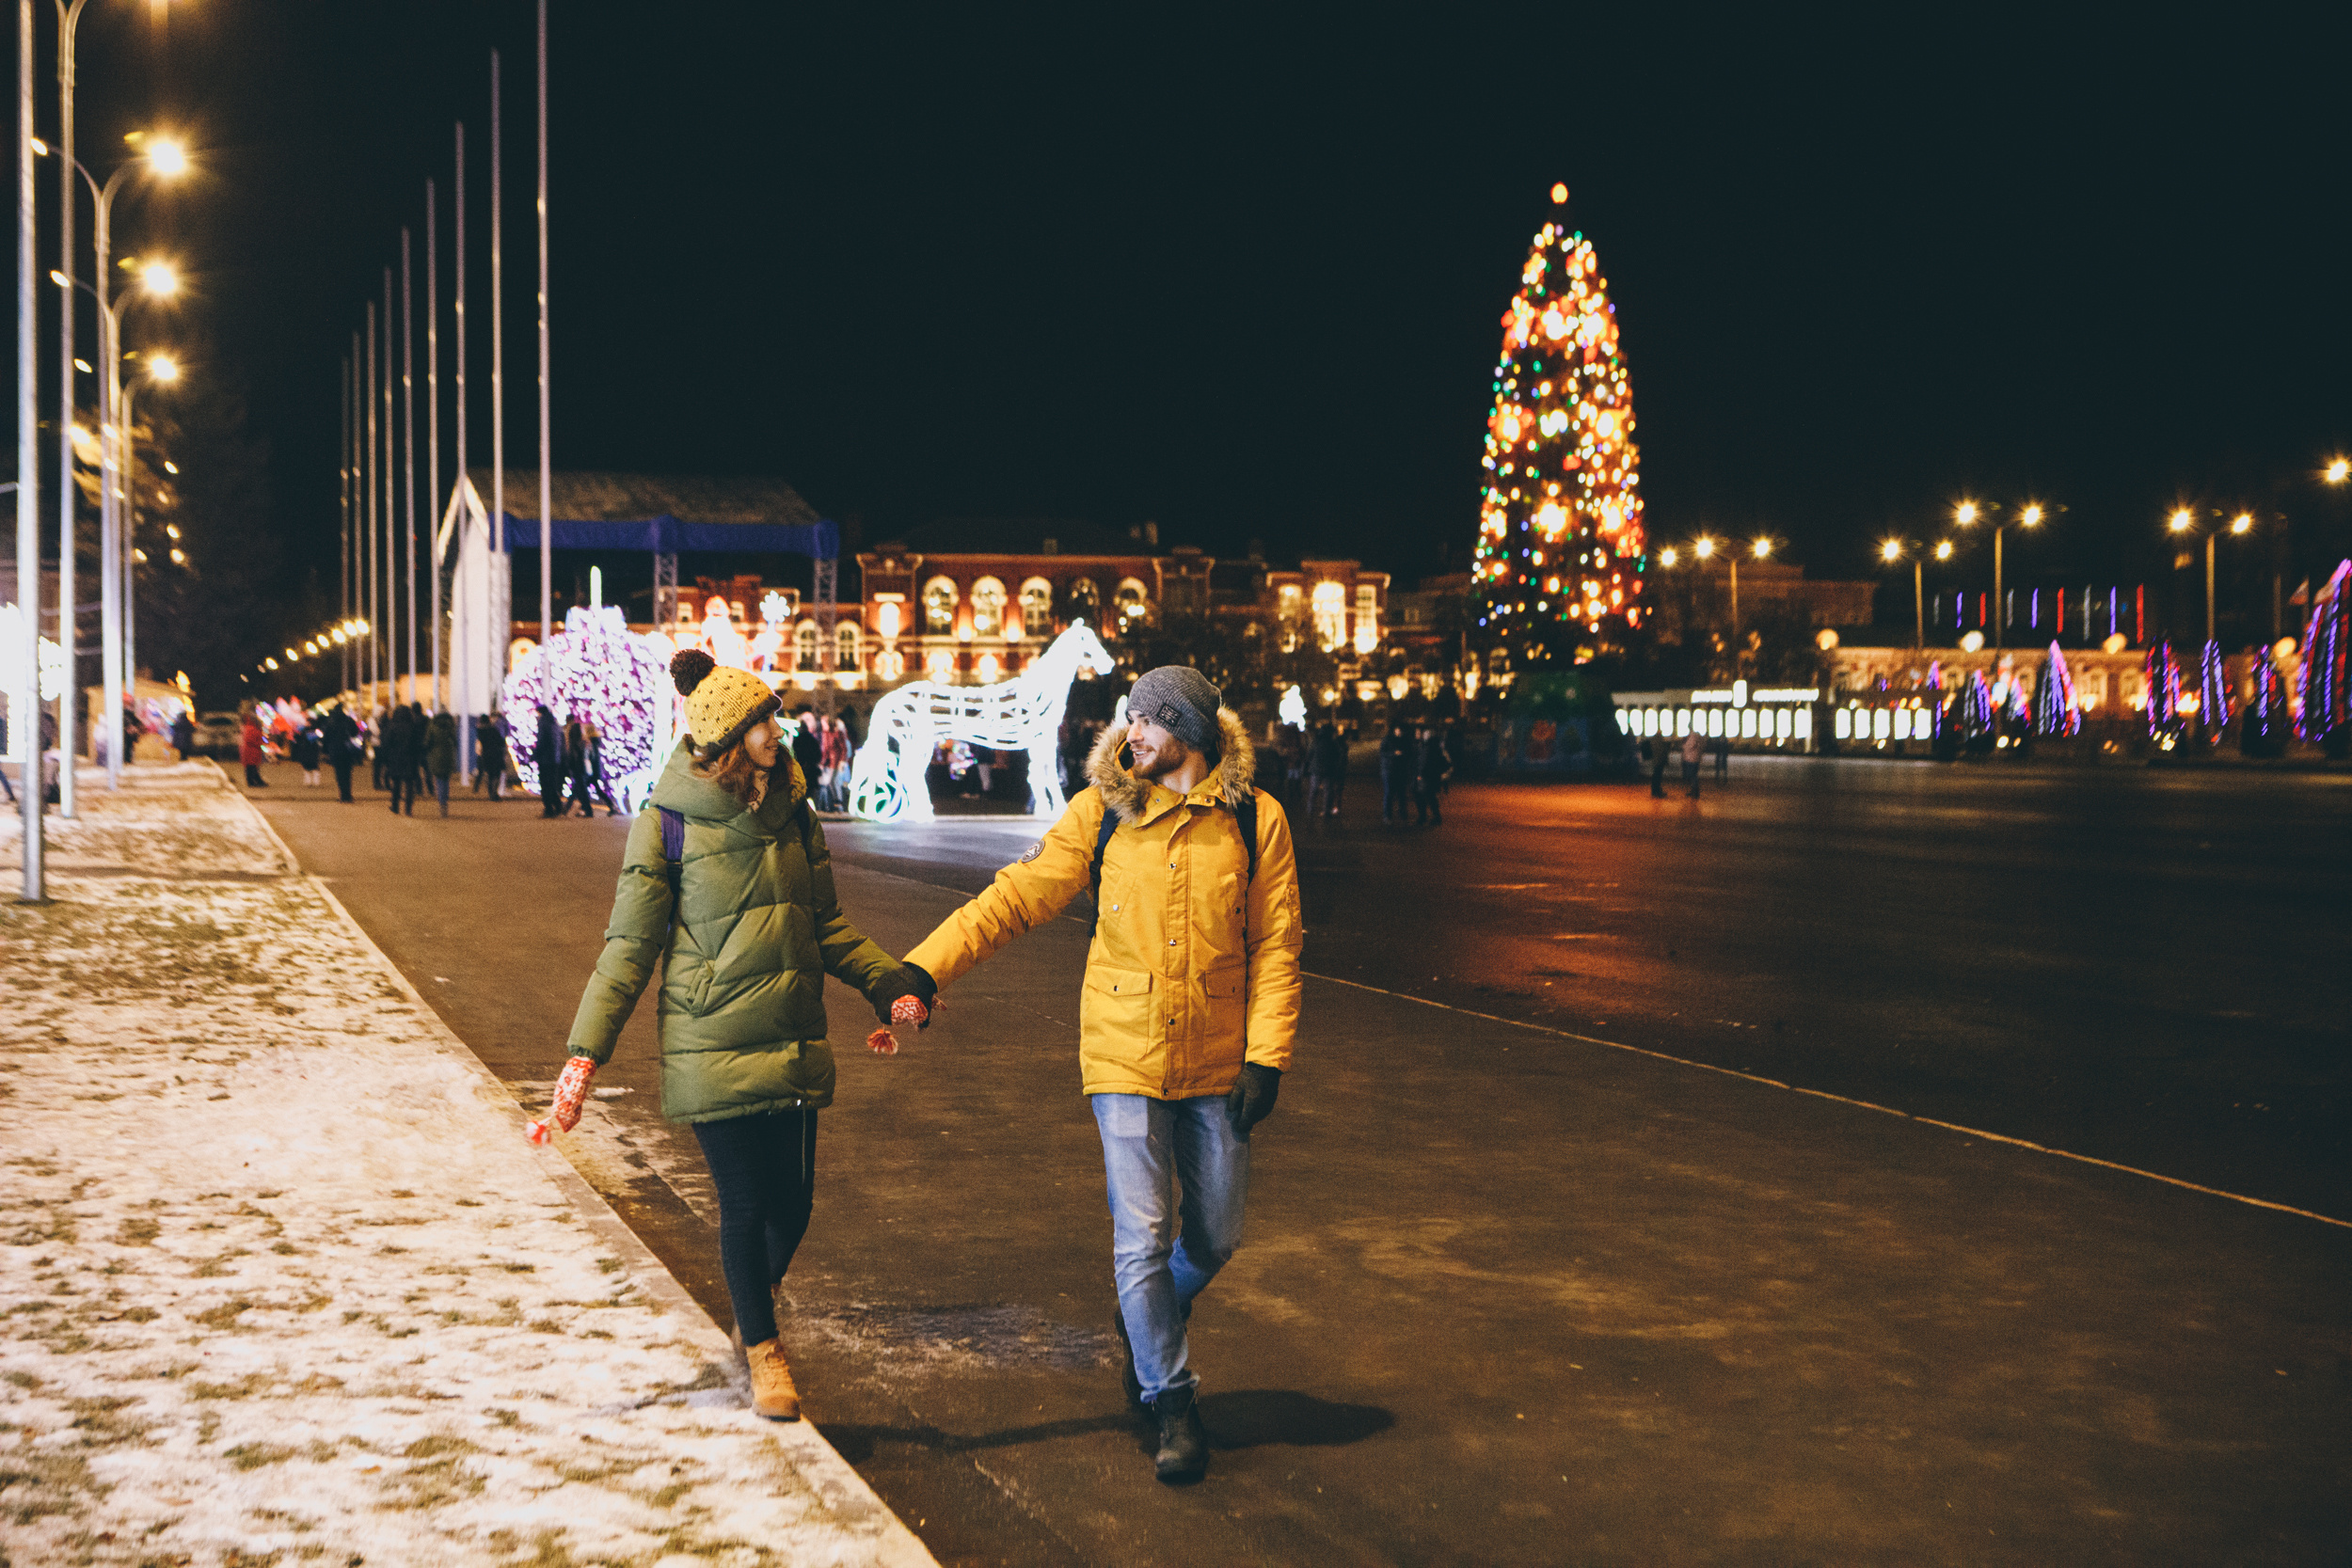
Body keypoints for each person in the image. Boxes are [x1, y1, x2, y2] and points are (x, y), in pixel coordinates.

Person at [897, 665, 1301, 1484]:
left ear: (1183, 728)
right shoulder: (1104, 814)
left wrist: (1268, 1054)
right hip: (1122, 1050)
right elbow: (1013, 899)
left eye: (1145, 722)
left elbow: (1279, 943)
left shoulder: (1256, 820)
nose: (1129, 735)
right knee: (1142, 1235)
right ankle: (1171, 1398)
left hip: (1219, 1053)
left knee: (1216, 1234)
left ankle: (1148, 1313)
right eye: (1128, 720)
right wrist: (923, 969)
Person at [532, 649, 930, 1424]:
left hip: (789, 1032)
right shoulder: (666, 824)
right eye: (764, 721)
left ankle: (754, 1297)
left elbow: (826, 927)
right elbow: (629, 947)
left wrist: (892, 981)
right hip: (710, 1038)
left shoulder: (796, 814)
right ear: (727, 736)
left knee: (797, 1205)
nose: (778, 732)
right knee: (746, 1202)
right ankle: (763, 1350)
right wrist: (584, 1053)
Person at [382, 704, 422, 816]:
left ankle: (395, 806)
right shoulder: (412, 726)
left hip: (395, 758)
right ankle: (408, 809)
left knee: (396, 784)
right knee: (409, 784)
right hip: (410, 759)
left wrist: (387, 758)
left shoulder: (392, 726)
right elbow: (418, 744)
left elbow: (387, 743)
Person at [1411, 720, 1451, 826]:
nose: (1420, 735)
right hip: (1426, 776)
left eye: (1424, 733)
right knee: (1427, 796)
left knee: (1426, 797)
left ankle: (1428, 817)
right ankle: (1431, 817)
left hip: (1426, 776)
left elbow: (1425, 762)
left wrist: (1420, 774)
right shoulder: (1425, 745)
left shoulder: (1429, 746)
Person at [424, 709, 459, 816]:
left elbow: (428, 741)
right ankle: (444, 801)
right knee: (446, 779)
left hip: (436, 755)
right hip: (448, 755)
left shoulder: (432, 726)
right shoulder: (451, 726)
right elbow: (455, 742)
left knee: (439, 780)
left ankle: (442, 803)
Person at [324, 705, 360, 802]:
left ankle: (342, 795)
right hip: (347, 749)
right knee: (347, 773)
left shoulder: (331, 721)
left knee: (339, 773)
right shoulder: (348, 720)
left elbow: (326, 736)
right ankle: (348, 795)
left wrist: (326, 751)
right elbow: (355, 732)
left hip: (335, 750)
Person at [1378, 721, 1412, 823]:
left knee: (1401, 794)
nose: (1399, 732)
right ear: (1394, 730)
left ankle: (1402, 814)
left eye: (1401, 730)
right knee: (1389, 793)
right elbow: (1382, 753)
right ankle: (1387, 815)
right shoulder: (1388, 739)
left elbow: (1410, 753)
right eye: (1398, 730)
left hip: (1400, 770)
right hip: (1389, 770)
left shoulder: (1405, 740)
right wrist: (1393, 754)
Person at [534, 705, 564, 817]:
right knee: (551, 784)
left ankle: (549, 809)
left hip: (545, 759)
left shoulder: (543, 723)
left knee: (545, 784)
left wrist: (535, 755)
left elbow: (542, 741)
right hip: (555, 759)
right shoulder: (554, 723)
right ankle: (558, 806)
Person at [474, 716, 508, 801]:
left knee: (490, 775)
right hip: (496, 755)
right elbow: (500, 742)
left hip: (486, 755)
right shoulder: (493, 730)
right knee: (496, 775)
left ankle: (491, 793)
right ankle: (494, 793)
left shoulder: (480, 731)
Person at [239, 706, 269, 789]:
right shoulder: (251, 728)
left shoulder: (251, 728)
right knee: (251, 767)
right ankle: (252, 782)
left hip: (253, 751)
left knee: (253, 767)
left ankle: (255, 781)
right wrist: (259, 743)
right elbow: (250, 740)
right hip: (251, 751)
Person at [292, 717, 323, 787]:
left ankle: (314, 781)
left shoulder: (315, 731)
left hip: (312, 750)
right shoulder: (304, 730)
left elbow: (315, 739)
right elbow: (298, 739)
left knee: (313, 765)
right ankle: (309, 781)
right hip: (306, 749)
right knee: (307, 765)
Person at [1681, 725, 1704, 799]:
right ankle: (1694, 791)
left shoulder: (1693, 737)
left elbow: (1689, 747)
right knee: (1693, 775)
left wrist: (1683, 745)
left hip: (1691, 759)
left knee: (1693, 776)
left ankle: (1695, 793)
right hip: (1695, 759)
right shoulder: (1698, 737)